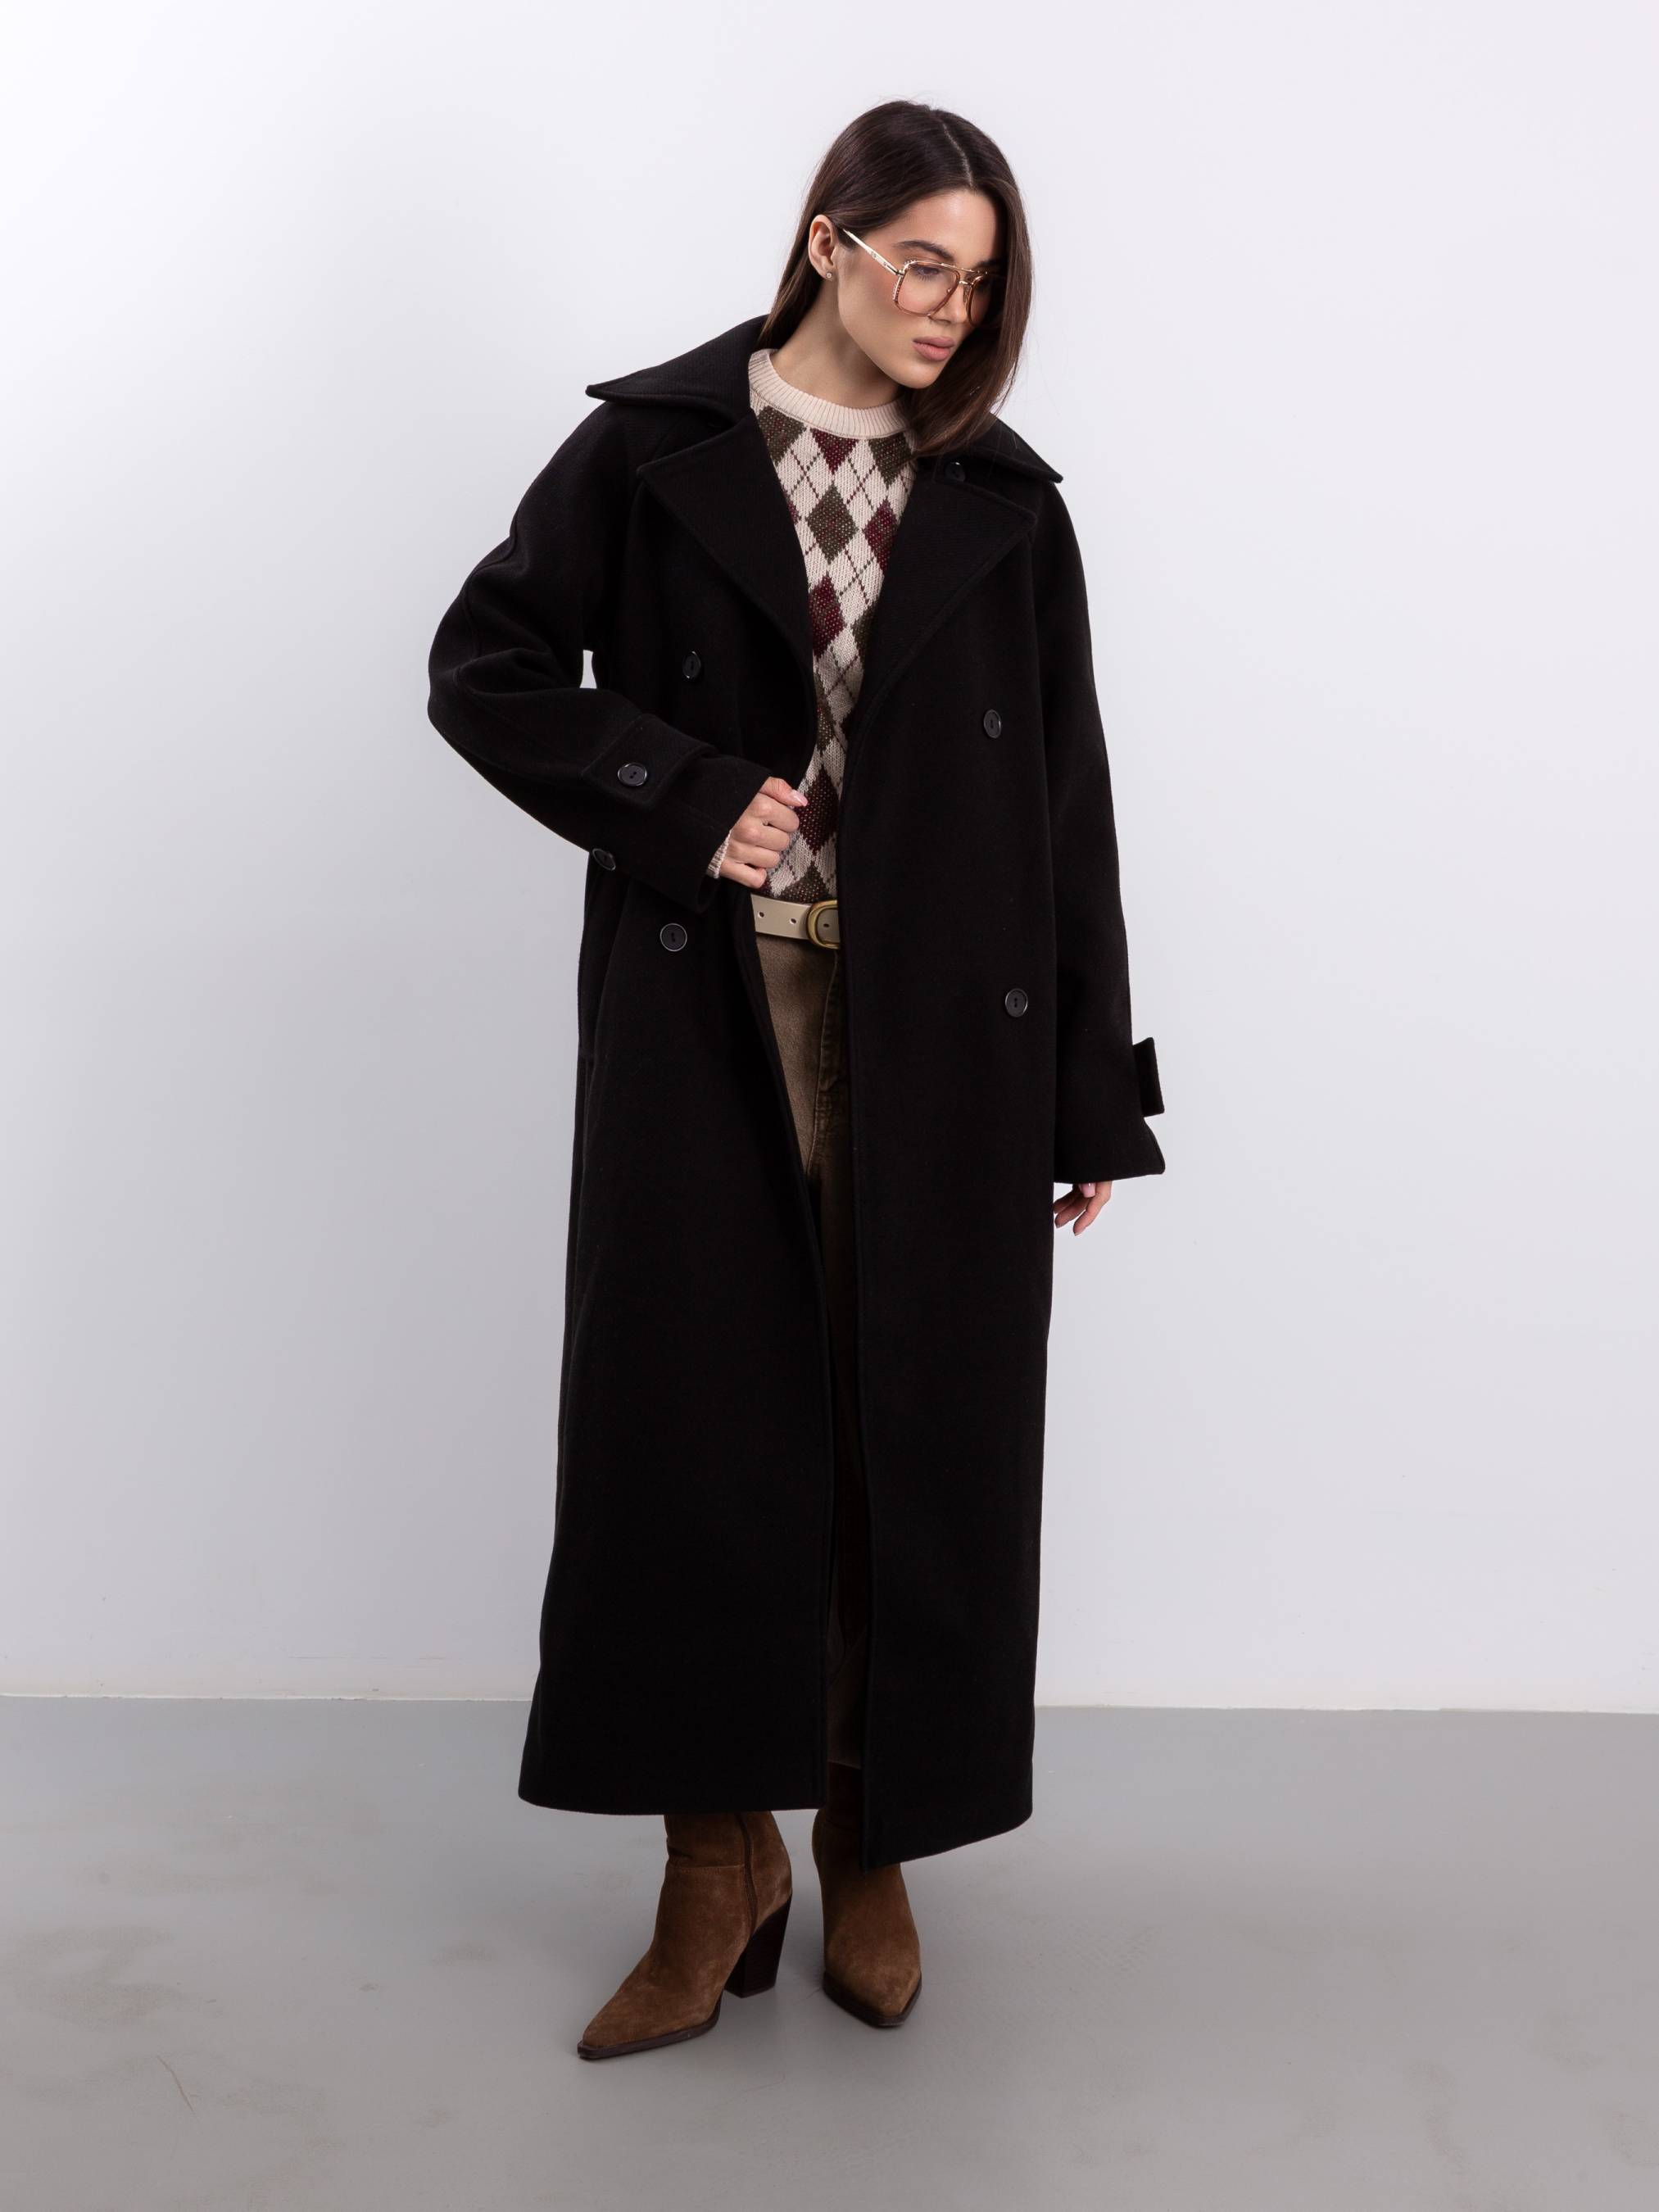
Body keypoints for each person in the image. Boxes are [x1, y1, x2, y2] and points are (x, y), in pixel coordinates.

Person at [427, 99, 1165, 2062]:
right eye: (922, 262)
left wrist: (1088, 1087)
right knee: (696, 1435)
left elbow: (1063, 805)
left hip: (939, 1040)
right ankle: (710, 1859)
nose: (950, 309)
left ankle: (868, 1835)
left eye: (979, 280)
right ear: (826, 240)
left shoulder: (1001, 497)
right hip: (708, 1020)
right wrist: (675, 794)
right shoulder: (653, 450)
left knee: (900, 1433)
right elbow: (484, 667)